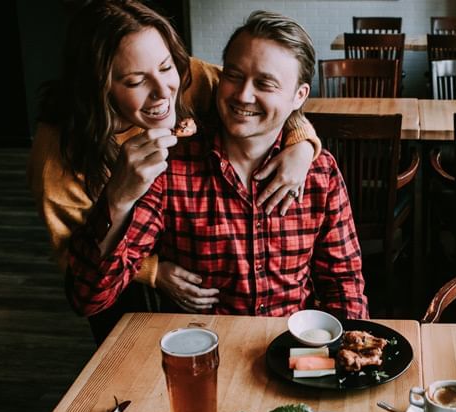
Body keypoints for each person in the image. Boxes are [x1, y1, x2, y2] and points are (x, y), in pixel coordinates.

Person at [26, 1, 322, 336]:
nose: (164, 91)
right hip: (113, 261)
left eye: (166, 67)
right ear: (97, 87)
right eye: (136, 81)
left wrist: (301, 144)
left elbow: (263, 101)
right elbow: (74, 264)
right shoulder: (58, 153)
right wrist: (152, 270)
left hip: (186, 247)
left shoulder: (190, 78)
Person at [67, 10, 368, 320]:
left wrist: (350, 353)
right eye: (233, 75)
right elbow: (88, 298)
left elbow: (343, 282)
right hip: (198, 350)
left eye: (265, 84)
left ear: (299, 96)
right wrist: (117, 199)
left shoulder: (321, 173)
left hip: (291, 349)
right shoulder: (169, 169)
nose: (243, 95)